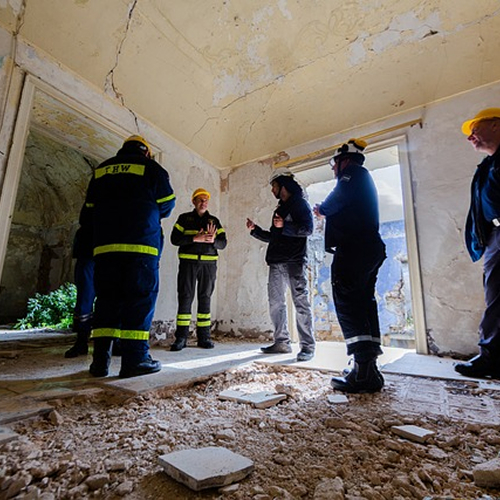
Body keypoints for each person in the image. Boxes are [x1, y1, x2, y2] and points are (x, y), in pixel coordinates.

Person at [81, 135, 175, 378]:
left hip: (105, 248)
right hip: (140, 247)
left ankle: (99, 362)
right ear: (146, 152)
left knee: (106, 301)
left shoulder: (101, 170)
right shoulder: (152, 168)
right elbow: (167, 205)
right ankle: (135, 360)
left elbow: (89, 210)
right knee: (139, 299)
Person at [313, 139, 386, 393]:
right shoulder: (362, 178)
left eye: (334, 164)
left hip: (354, 249)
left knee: (348, 302)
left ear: (345, 159)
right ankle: (368, 369)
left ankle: (362, 372)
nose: (333, 169)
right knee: (364, 303)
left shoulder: (352, 174)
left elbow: (333, 202)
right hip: (367, 247)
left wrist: (321, 210)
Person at [246, 168, 316, 362]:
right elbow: (274, 236)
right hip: (276, 262)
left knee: (300, 302)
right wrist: (255, 231)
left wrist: (285, 226)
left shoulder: (301, 205)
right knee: (276, 303)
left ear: (283, 186)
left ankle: (308, 346)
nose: (272, 190)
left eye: (274, 186)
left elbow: (308, 229)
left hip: (294, 262)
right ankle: (281, 342)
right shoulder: (279, 209)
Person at [455, 108, 500, 379]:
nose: (470, 138)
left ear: (496, 125)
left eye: (475, 130)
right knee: (495, 295)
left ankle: (491, 358)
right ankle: (492, 358)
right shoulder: (489, 165)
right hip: (496, 235)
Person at [169, 188, 227, 351]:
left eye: (205, 200)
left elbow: (223, 243)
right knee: (185, 298)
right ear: (194, 201)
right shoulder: (184, 219)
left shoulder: (214, 221)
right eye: (200, 200)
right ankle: (181, 338)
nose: (203, 203)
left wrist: (213, 241)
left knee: (205, 298)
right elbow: (174, 239)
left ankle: (204, 337)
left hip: (209, 265)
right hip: (188, 264)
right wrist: (195, 238)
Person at [64, 220, 95, 358]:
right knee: (84, 301)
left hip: (105, 255)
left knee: (109, 302)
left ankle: (109, 343)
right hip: (89, 253)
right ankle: (81, 341)